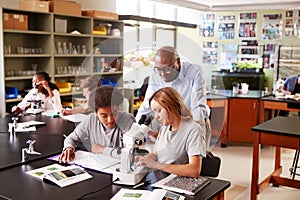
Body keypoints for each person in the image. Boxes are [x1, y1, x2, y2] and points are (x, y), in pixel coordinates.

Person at [135, 46, 210, 146]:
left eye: (167, 69)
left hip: (194, 121)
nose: (163, 74)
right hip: (171, 123)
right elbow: (147, 104)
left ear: (178, 62)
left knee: (196, 157)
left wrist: (199, 140)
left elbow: (197, 109)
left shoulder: (194, 72)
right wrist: (135, 130)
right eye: (159, 69)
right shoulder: (156, 74)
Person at [138, 87, 206, 178]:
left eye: (158, 111)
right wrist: (146, 159)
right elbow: (155, 154)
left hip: (179, 182)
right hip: (162, 178)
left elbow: (194, 170)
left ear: (171, 106)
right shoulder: (165, 126)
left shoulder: (193, 129)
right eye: (154, 112)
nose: (156, 117)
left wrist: (156, 165)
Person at [58, 86, 135, 163]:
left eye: (114, 113)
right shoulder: (91, 119)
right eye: (104, 116)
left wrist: (102, 149)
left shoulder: (127, 120)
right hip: (99, 166)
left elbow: (132, 155)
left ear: (119, 108)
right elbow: (71, 138)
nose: (110, 119)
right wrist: (69, 148)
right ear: (95, 113)